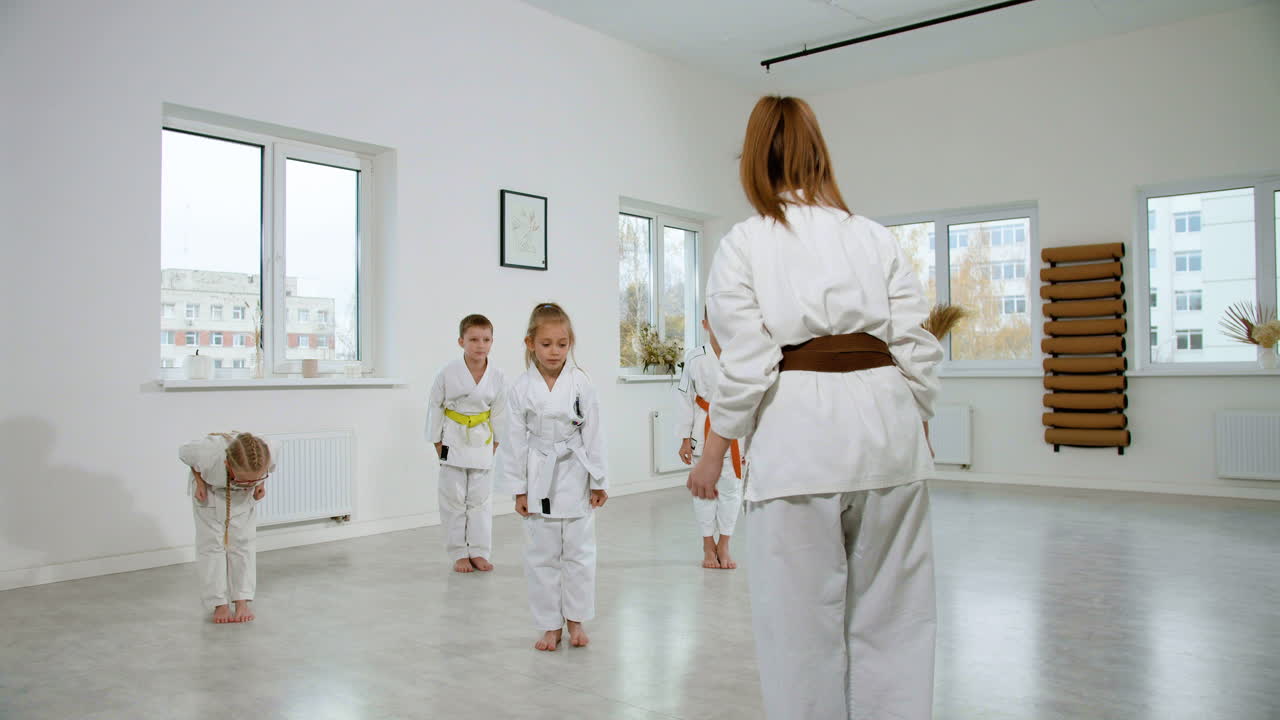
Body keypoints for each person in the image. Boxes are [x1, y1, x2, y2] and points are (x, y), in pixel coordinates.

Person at [687, 95, 944, 720]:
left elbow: (747, 359)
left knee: (798, 632)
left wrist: (714, 452)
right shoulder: (875, 238)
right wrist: (914, 422)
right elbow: (919, 348)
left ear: (752, 159)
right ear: (819, 153)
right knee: (898, 623)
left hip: (800, 443)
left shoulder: (745, 243)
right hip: (890, 436)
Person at [498, 303, 608, 651]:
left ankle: (576, 620)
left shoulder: (581, 383)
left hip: (575, 472)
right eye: (546, 344)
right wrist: (518, 489)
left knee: (579, 553)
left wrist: (599, 479)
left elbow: (594, 433)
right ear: (530, 343)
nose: (554, 351)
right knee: (541, 556)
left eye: (562, 343)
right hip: (538, 476)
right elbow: (514, 442)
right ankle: (549, 624)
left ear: (570, 342)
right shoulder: (520, 388)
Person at [426, 314, 507, 573]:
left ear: (492, 342)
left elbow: (501, 411)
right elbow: (435, 405)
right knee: (453, 498)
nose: (480, 345)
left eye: (485, 339)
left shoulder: (497, 376)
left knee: (481, 499)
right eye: (473, 339)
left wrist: (497, 441)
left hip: (482, 439)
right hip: (453, 438)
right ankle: (459, 552)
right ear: (461, 341)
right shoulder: (447, 373)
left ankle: (480, 551)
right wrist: (437, 441)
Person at [180, 431, 273, 624]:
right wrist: (199, 480)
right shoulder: (207, 452)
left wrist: (259, 483)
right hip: (210, 494)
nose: (248, 482)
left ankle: (242, 600)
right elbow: (185, 455)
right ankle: (219, 603)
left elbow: (268, 469)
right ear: (227, 465)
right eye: (244, 479)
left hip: (241, 498)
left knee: (243, 545)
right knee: (212, 546)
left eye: (253, 478)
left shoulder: (269, 450)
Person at [675, 308, 743, 569]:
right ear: (705, 324)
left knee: (731, 490)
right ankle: (707, 544)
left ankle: (724, 543)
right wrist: (683, 438)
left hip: (737, 430)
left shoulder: (742, 356)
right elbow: (684, 399)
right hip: (702, 431)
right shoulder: (695, 358)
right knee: (705, 490)